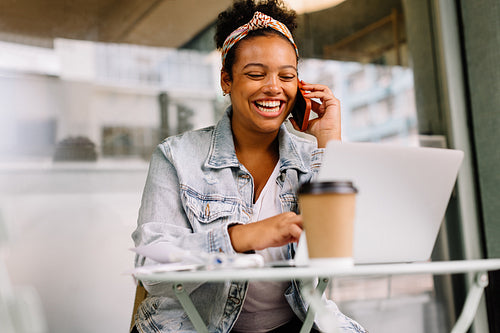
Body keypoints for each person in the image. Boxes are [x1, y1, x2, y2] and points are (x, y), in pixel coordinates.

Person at [131, 0, 366, 332]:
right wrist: (242, 236)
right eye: (256, 74)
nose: (273, 87)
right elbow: (149, 263)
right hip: (195, 325)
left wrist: (329, 143)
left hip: (297, 323)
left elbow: (340, 251)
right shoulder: (176, 157)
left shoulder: (312, 156)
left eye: (287, 76)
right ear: (227, 80)